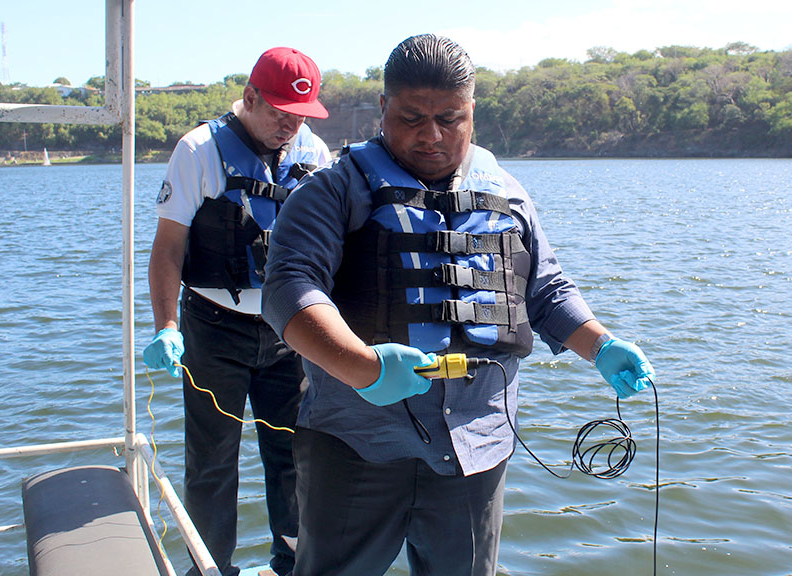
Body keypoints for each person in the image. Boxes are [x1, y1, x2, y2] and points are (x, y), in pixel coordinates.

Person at [261, 34, 654, 576]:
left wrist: (601, 344)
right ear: (382, 109)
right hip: (357, 441)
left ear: (472, 112)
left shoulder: (509, 194)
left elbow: (545, 291)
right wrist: (363, 367)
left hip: (477, 444)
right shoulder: (332, 192)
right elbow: (287, 288)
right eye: (412, 117)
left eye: (450, 118)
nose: (432, 135)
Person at [142, 46, 332, 576]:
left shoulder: (313, 152)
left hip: (291, 328)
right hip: (213, 328)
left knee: (295, 457)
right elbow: (168, 248)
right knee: (212, 464)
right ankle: (210, 568)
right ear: (249, 97)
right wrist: (166, 327)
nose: (289, 126)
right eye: (279, 113)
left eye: (300, 115)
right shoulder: (198, 150)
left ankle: (292, 564)